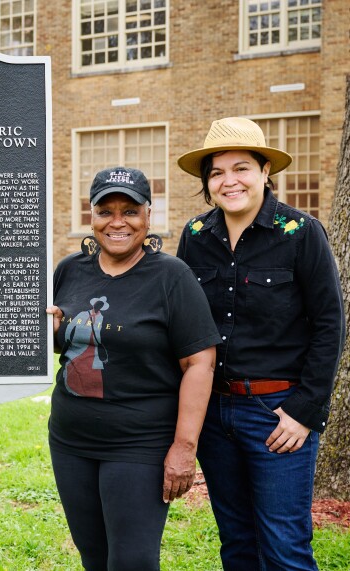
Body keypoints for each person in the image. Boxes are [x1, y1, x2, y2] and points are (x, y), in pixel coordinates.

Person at [176, 117, 345, 571]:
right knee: (236, 545)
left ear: (265, 170)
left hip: (278, 416)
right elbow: (179, 323)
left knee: (284, 550)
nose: (229, 181)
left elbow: (330, 325)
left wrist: (305, 412)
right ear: (207, 182)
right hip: (214, 415)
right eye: (216, 172)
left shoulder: (302, 233)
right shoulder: (194, 237)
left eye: (241, 167)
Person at [45, 166, 220, 570]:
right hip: (71, 440)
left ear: (148, 216)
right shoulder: (70, 269)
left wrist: (184, 446)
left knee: (132, 561)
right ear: (91, 216)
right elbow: (68, 342)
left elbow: (200, 362)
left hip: (139, 443)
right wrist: (53, 329)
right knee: (95, 557)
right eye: (106, 211)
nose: (118, 222)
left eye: (130, 211)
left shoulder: (171, 277)